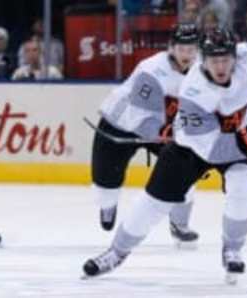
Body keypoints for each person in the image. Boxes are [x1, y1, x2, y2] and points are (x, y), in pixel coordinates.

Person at [82, 28, 247, 283]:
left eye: (225, 59)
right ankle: (116, 252)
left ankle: (232, 249)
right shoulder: (193, 92)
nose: (220, 67)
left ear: (235, 56)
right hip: (193, 147)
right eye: (213, 61)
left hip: (240, 135)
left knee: (244, 184)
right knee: (154, 202)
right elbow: (214, 151)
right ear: (203, 60)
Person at [91, 23, 201, 246]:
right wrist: (168, 132)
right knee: (105, 182)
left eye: (191, 49)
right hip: (120, 123)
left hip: (163, 126)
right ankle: (107, 204)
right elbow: (143, 118)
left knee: (186, 167)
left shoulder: (202, 70)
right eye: (182, 49)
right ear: (172, 48)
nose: (187, 55)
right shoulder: (151, 70)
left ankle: (180, 224)